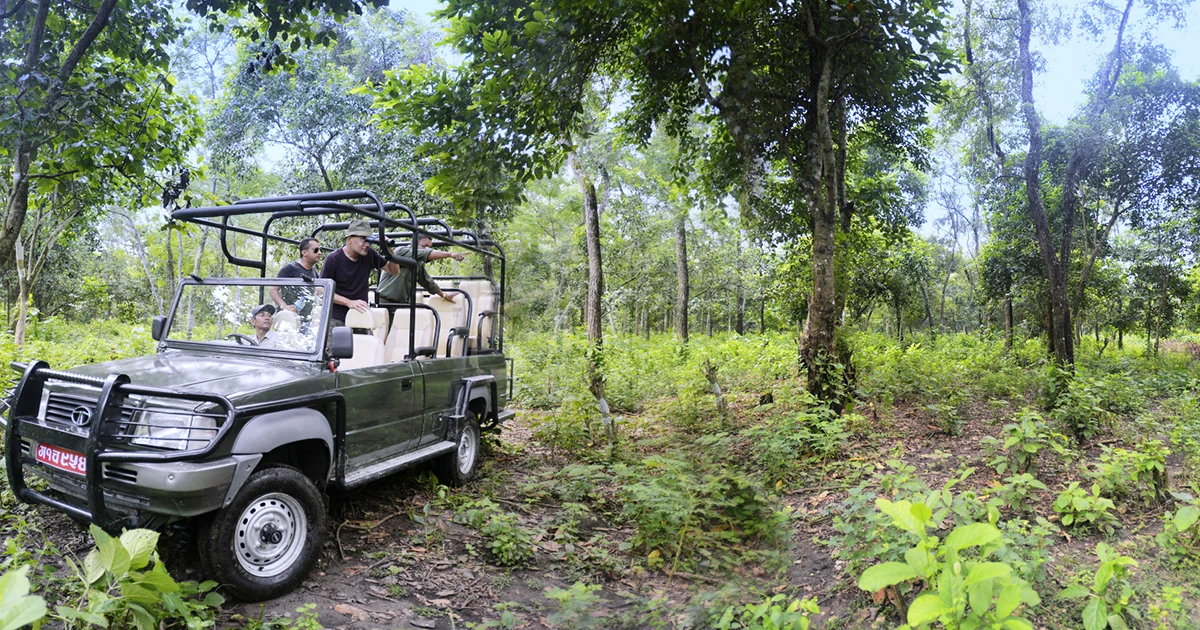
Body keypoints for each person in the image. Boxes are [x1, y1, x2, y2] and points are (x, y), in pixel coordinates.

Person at [321, 220, 402, 327]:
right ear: (349, 239)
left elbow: (394, 271)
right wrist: (349, 302)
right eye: (363, 240)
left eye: (369, 240)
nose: (367, 244)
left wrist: (389, 251)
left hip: (360, 316)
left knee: (368, 343)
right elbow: (321, 290)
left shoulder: (369, 255)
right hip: (336, 317)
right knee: (336, 343)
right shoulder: (333, 259)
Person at [376, 234, 466, 306]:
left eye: (430, 247)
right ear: (414, 244)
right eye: (425, 246)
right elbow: (424, 254)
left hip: (400, 303)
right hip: (384, 300)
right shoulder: (402, 251)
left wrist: (444, 295)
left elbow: (426, 281)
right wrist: (451, 254)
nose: (427, 249)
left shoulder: (418, 263)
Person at [270, 237, 322, 317]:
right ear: (304, 253)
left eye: (320, 250)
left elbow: (319, 292)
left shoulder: (314, 271)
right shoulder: (290, 268)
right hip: (288, 317)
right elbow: (273, 290)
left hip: (306, 318)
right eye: (316, 250)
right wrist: (285, 307)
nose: (319, 253)